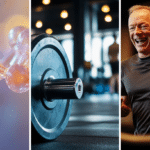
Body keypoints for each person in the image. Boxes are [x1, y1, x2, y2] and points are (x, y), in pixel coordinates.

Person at [121, 5, 150, 135]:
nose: (137, 32)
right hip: (140, 142)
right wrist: (122, 108)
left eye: (143, 26)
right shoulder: (125, 67)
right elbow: (124, 104)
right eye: (132, 28)